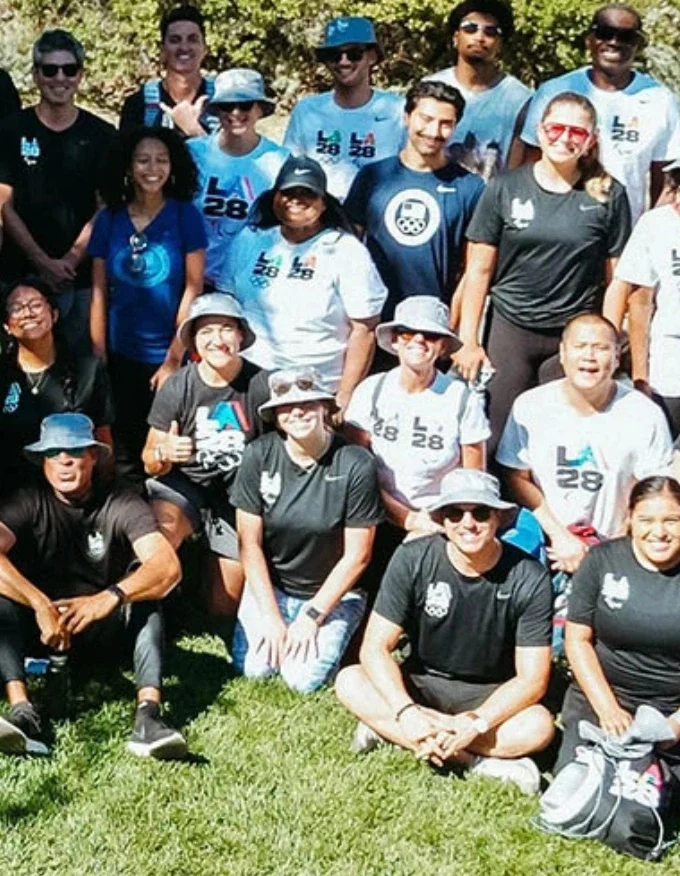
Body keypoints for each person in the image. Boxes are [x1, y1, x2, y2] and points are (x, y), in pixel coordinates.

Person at [335, 469, 554, 793]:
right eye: (454, 513)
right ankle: (475, 762)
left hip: (489, 693)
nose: (468, 523)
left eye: (480, 512)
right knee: (349, 680)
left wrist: (475, 722)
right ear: (442, 519)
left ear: (498, 518)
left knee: (539, 726)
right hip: (421, 683)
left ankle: (389, 730)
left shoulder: (529, 577)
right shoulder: (412, 558)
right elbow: (375, 647)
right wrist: (406, 710)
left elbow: (532, 680)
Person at [0, 414, 186, 760]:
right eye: (53, 452)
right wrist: (39, 604)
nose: (64, 461)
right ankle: (22, 712)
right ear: (42, 461)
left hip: (103, 624)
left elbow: (167, 567)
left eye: (74, 451)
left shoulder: (121, 502)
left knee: (147, 597)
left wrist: (109, 598)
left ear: (93, 457)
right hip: (43, 627)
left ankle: (149, 716)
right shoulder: (27, 499)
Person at [454, 92, 631, 451]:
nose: (565, 138)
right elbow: (478, 270)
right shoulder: (505, 187)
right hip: (511, 328)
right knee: (497, 437)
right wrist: (468, 340)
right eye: (556, 128)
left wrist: (607, 342)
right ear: (540, 131)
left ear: (591, 140)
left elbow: (616, 280)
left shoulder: (609, 194)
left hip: (573, 332)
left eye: (577, 132)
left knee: (563, 439)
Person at [230, 368, 382, 693]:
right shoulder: (258, 455)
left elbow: (358, 555)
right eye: (286, 407)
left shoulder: (356, 463)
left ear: (324, 407)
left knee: (302, 681)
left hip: (332, 593)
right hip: (274, 587)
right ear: (275, 416)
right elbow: (249, 544)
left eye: (308, 403)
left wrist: (312, 616)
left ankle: (345, 629)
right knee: (255, 670)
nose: (297, 412)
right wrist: (271, 615)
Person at [497, 313, 672, 574]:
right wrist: (560, 536)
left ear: (616, 356)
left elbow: (653, 491)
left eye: (601, 348)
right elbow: (516, 475)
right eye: (580, 346)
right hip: (550, 539)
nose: (589, 356)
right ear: (563, 353)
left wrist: (610, 547)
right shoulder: (531, 406)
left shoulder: (644, 414)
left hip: (618, 541)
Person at [219, 156, 386, 414]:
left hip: (315, 387)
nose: (296, 200)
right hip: (250, 381)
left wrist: (345, 394)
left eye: (307, 193)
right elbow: (225, 306)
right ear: (274, 196)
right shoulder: (250, 239)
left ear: (323, 203)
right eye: (288, 192)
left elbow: (364, 329)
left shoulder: (346, 251)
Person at [89, 126, 206, 484]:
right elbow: (99, 289)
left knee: (168, 447)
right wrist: (98, 356)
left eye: (161, 160)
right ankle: (129, 514)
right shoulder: (110, 219)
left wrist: (173, 358)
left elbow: (194, 287)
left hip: (170, 354)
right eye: (143, 160)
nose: (152, 169)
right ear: (128, 166)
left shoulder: (185, 216)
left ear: (174, 166)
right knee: (124, 449)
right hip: (121, 351)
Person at [142, 293, 264, 624]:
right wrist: (164, 452)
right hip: (185, 485)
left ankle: (197, 576)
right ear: (194, 340)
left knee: (222, 608)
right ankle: (151, 610)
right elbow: (148, 459)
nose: (217, 340)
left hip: (238, 496)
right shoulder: (177, 386)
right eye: (206, 331)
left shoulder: (261, 385)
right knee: (161, 535)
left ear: (241, 335)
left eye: (226, 329)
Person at [0, 29, 115, 352]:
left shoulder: (103, 135)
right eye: (50, 70)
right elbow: (3, 204)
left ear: (80, 75)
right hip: (20, 276)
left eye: (69, 69)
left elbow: (104, 206)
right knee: (21, 370)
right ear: (36, 75)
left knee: (83, 368)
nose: (60, 78)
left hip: (81, 280)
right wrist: (41, 261)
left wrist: (70, 259)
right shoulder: (10, 130)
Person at [557, 475, 680, 774]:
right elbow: (577, 640)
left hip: (671, 708)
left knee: (649, 795)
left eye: (672, 521)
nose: (659, 532)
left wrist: (675, 726)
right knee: (583, 781)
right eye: (646, 520)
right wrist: (608, 709)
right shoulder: (601, 560)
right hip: (604, 697)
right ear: (630, 520)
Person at [519, 3, 680, 223]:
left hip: (624, 230)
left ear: (638, 45)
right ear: (589, 40)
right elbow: (530, 163)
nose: (614, 42)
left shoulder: (661, 101)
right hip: (555, 228)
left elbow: (666, 184)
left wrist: (649, 233)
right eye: (605, 33)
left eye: (626, 36)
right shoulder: (554, 91)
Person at [345, 295, 489, 536]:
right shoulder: (371, 390)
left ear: (443, 347)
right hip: (374, 512)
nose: (419, 340)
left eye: (431, 335)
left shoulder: (462, 399)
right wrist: (406, 518)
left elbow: (473, 477)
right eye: (407, 333)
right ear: (394, 340)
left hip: (439, 521)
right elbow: (354, 467)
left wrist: (438, 523)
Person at [345, 79, 484, 320]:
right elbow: (347, 249)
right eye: (426, 119)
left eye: (445, 124)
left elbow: (471, 270)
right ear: (407, 117)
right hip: (373, 318)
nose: (434, 132)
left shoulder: (470, 187)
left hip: (432, 326)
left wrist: (453, 323)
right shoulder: (372, 176)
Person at [0, 277, 113, 497]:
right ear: (6, 326)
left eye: (35, 305)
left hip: (73, 492)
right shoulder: (3, 374)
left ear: (54, 314)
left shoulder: (88, 370)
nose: (27, 313)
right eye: (16, 308)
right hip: (13, 494)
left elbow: (104, 440)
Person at [283, 16, 405, 201]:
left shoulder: (397, 110)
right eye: (334, 55)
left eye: (354, 53)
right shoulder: (307, 111)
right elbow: (291, 172)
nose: (343, 62)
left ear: (372, 57)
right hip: (321, 213)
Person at [187, 68, 287, 286]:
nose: (235, 113)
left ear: (260, 109)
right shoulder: (193, 153)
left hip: (249, 281)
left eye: (245, 105)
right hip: (195, 278)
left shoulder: (279, 161)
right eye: (227, 105)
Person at [610, 161, 680, 437]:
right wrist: (641, 375)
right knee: (659, 445)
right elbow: (640, 301)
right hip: (670, 357)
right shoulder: (656, 224)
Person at [427, 0, 531, 179]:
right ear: (456, 36)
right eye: (470, 28)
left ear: (500, 43)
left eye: (491, 32)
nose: (479, 37)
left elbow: (517, 171)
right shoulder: (430, 89)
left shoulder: (520, 99)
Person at [119, 3, 220, 140]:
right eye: (175, 40)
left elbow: (237, 153)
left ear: (204, 50)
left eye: (192, 40)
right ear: (163, 50)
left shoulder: (223, 101)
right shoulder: (138, 105)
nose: (184, 47)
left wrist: (194, 131)